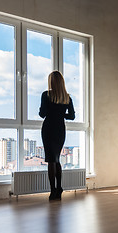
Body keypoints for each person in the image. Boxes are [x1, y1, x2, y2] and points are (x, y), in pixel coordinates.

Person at [39, 71, 75, 200]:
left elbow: (42, 114)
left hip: (48, 128)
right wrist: (61, 114)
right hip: (60, 129)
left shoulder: (46, 95)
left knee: (51, 160)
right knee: (57, 159)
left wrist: (50, 111)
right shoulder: (67, 97)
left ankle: (53, 190)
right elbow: (72, 116)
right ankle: (59, 188)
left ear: (51, 82)